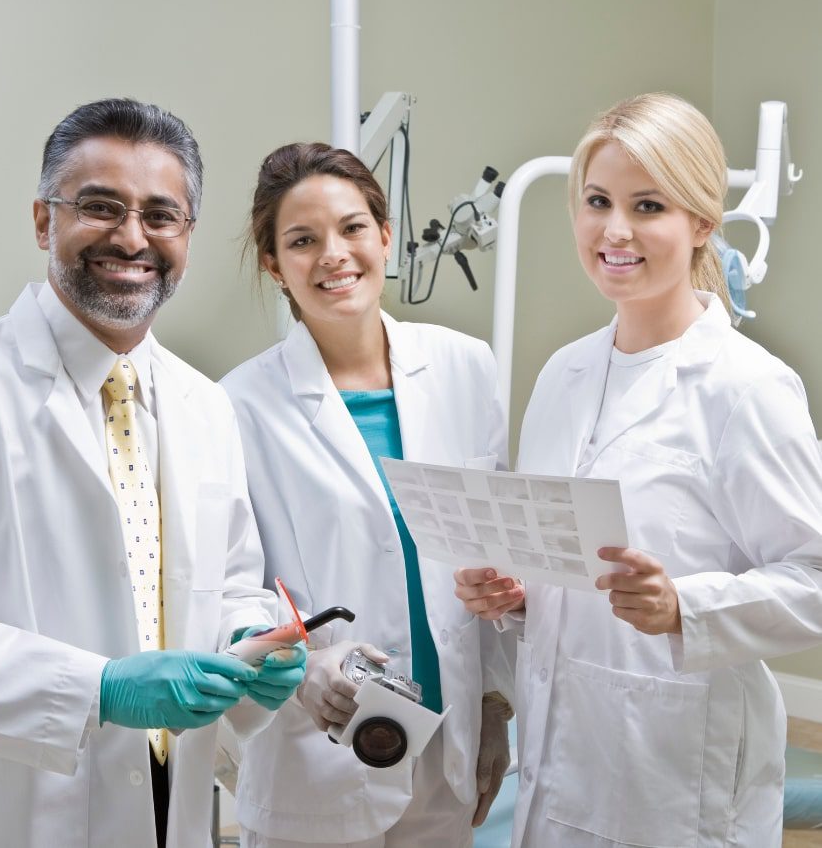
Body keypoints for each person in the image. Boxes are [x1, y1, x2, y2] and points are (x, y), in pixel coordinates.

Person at [0, 98, 305, 848]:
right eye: (100, 207)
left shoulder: (203, 405)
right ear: (44, 221)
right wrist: (98, 690)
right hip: (20, 811)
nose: (133, 238)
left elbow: (228, 583)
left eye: (162, 216)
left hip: (173, 804)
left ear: (187, 235)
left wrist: (254, 639)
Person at [454, 92, 822, 847]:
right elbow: (573, 560)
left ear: (701, 224)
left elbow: (814, 575)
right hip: (566, 755)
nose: (614, 230)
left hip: (677, 779)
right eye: (597, 202)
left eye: (647, 205)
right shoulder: (563, 374)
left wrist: (685, 606)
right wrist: (521, 596)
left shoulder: (746, 387)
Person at [221, 142, 515, 847]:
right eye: (301, 240)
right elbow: (232, 586)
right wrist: (301, 670)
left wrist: (496, 706)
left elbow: (496, 553)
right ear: (274, 265)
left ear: (385, 236)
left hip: (447, 745)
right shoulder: (238, 404)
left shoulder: (466, 368)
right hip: (315, 752)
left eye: (353, 228)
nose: (333, 254)